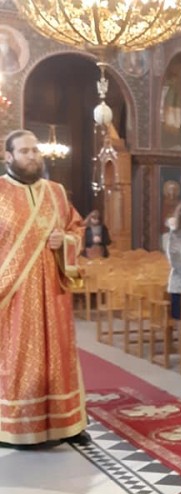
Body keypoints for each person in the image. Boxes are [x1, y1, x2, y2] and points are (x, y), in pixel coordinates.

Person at [0, 129, 89, 448]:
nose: (32, 156)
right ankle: (15, 425)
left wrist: (65, 242)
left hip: (53, 292)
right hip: (13, 296)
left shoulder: (57, 192)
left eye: (35, 150)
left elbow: (76, 228)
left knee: (59, 356)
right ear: (8, 156)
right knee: (17, 360)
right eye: (25, 151)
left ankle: (68, 423)